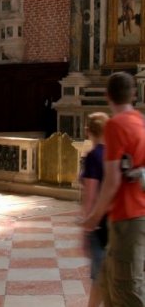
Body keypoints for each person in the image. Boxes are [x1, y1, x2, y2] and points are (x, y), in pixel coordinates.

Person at [83, 72, 145, 305]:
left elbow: (111, 181)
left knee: (128, 290)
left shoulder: (116, 125)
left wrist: (93, 217)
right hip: (132, 215)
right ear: (134, 94)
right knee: (109, 289)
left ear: (107, 95)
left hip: (128, 217)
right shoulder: (140, 120)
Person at [82, 112, 110, 307]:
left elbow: (90, 195)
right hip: (116, 220)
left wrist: (86, 229)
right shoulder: (115, 153)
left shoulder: (93, 156)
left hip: (99, 223)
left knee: (99, 277)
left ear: (87, 131)